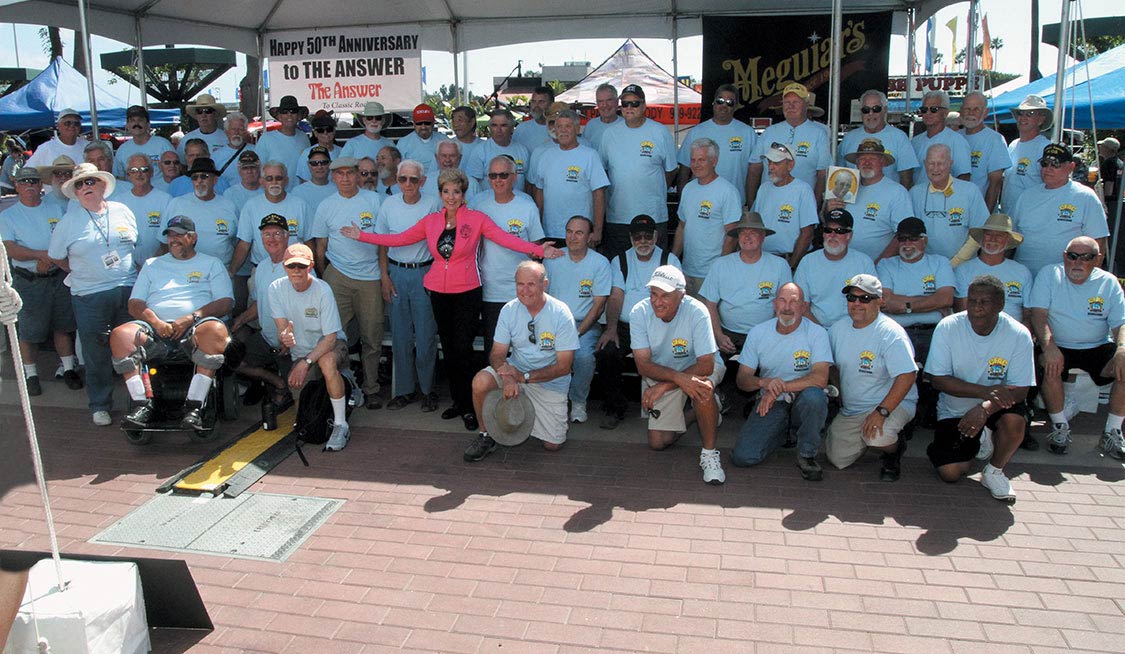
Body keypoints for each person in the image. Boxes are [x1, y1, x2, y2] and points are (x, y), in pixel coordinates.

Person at [341, 168, 562, 430]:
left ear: (463, 194)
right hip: (438, 292)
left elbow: (506, 239)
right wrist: (362, 235)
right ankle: (458, 401)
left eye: (456, 192)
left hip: (467, 292)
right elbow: (398, 239)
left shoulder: (477, 218)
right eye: (446, 191)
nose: (451, 196)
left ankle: (471, 406)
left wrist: (538, 250)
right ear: (440, 194)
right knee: (449, 349)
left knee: (463, 350)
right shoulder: (431, 221)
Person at [110, 216, 232, 431]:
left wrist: (191, 317)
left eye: (180, 235)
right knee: (121, 335)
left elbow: (225, 302)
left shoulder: (211, 263)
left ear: (193, 238)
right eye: (170, 235)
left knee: (215, 329)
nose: (174, 239)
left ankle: (194, 407)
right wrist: (156, 323)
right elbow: (134, 304)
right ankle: (142, 405)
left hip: (196, 328)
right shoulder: (152, 265)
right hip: (155, 330)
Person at [925, 275, 1034, 502]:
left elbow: (1020, 390)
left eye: (985, 302)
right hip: (955, 409)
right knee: (950, 473)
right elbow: (938, 380)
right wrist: (985, 392)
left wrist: (984, 408)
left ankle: (994, 471)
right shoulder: (948, 327)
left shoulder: (1018, 333)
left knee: (1015, 421)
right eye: (972, 300)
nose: (976, 307)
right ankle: (983, 438)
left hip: (997, 407)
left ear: (1000, 305)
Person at [47, 163, 140, 426]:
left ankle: (139, 400)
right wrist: (80, 271)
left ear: (103, 185)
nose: (85, 187)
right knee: (96, 353)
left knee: (133, 348)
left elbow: (134, 244)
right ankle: (99, 404)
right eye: (79, 184)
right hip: (89, 296)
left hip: (128, 289)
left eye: (90, 181)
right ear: (75, 192)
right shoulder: (68, 222)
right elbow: (56, 257)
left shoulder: (123, 211)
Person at [462, 260, 578, 461]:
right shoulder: (509, 310)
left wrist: (523, 377)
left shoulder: (561, 313)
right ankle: (486, 435)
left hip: (549, 383)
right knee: (481, 381)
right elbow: (497, 354)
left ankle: (542, 413)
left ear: (544, 284)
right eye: (520, 284)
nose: (525, 290)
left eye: (531, 284)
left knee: (553, 445)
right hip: (515, 373)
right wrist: (508, 377)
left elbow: (564, 366)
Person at [1028, 236, 1125, 459]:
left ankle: (1112, 431)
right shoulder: (1049, 274)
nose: (1077, 262)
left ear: (1098, 259)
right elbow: (1038, 315)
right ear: (1065, 256)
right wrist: (1049, 346)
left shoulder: (1109, 282)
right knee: (1048, 363)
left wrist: (1122, 348)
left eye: (1086, 257)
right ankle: (1060, 427)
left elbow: (1121, 323)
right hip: (1058, 344)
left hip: (1098, 346)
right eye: (1072, 256)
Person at [630, 265, 727, 484]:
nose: (657, 301)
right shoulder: (639, 312)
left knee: (702, 390)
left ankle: (710, 455)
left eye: (665, 295)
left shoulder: (698, 311)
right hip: (664, 372)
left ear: (681, 295)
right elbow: (643, 365)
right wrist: (677, 379)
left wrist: (667, 385)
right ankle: (703, 414)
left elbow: (706, 365)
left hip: (697, 368)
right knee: (658, 442)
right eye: (654, 294)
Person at [732, 283, 832, 480]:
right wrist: (764, 383)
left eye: (793, 302)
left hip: (801, 399)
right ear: (774, 304)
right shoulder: (758, 333)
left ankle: (807, 454)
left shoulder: (817, 333)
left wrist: (779, 388)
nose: (787, 307)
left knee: (815, 397)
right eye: (782, 301)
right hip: (772, 402)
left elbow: (821, 378)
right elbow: (742, 380)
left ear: (804, 307)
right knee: (743, 457)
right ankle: (784, 432)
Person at [308, 157, 385, 409]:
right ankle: (340, 385)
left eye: (350, 173)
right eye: (339, 174)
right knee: (333, 336)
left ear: (357, 175)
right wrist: (324, 276)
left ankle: (371, 387)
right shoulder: (326, 205)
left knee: (372, 336)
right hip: (337, 275)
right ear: (333, 177)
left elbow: (383, 243)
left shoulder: (374, 200)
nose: (345, 178)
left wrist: (384, 275)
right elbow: (320, 246)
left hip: (370, 276)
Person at [826, 274, 917, 480]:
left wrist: (882, 412)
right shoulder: (837, 329)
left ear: (880, 301)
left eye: (865, 298)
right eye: (852, 298)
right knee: (837, 458)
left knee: (877, 438)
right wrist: (840, 394)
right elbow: (831, 365)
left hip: (888, 405)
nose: (857, 303)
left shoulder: (891, 333)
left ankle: (893, 451)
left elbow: (907, 375)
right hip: (853, 408)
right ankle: (872, 437)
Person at [0, 166, 81, 396]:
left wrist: (52, 259)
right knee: (29, 332)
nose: (30, 186)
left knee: (63, 326)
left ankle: (68, 368)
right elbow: (9, 248)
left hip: (58, 276)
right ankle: (31, 374)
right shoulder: (7, 216)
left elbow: (67, 239)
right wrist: (42, 256)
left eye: (34, 181)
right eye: (24, 182)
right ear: (16, 186)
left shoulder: (56, 208)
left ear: (40, 185)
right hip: (29, 280)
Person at [596, 215, 681, 429]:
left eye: (647, 236)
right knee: (607, 352)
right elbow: (616, 296)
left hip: (662, 325)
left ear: (656, 236)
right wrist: (611, 328)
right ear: (631, 238)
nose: (643, 241)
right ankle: (615, 407)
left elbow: (677, 298)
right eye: (637, 237)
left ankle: (670, 407)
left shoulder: (669, 261)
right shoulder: (620, 261)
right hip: (627, 327)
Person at [268, 243, 352, 451]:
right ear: (284, 266)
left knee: (326, 362)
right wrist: (285, 338)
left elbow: (330, 339)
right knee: (305, 420)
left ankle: (341, 425)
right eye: (291, 266)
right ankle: (343, 383)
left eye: (302, 266)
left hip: (329, 346)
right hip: (301, 353)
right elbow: (282, 329)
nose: (296, 270)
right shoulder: (275, 288)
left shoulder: (323, 290)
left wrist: (304, 363)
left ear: (311, 266)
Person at [375, 159, 442, 412]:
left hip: (425, 272)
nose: (408, 183)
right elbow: (382, 244)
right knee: (400, 336)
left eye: (414, 179)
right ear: (397, 179)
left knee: (426, 336)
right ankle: (404, 391)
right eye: (403, 178)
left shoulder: (433, 204)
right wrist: (384, 277)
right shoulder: (388, 205)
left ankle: (427, 390)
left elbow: (441, 243)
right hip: (397, 273)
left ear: (422, 181)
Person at [469, 155, 546, 353]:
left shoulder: (527, 206)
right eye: (493, 175)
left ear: (514, 177)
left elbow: (536, 248)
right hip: (489, 289)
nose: (498, 180)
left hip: (521, 290)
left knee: (524, 349)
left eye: (503, 175)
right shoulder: (478, 203)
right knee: (494, 350)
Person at [543, 216, 611, 423]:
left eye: (579, 233)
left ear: (590, 237)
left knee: (583, 357)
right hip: (554, 323)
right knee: (543, 352)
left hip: (585, 324)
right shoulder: (552, 259)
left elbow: (598, 306)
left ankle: (578, 402)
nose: (573, 237)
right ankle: (550, 402)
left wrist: (577, 332)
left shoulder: (600, 263)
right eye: (569, 231)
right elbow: (541, 297)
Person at [599, 84, 678, 260]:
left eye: (634, 103)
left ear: (644, 105)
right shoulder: (609, 134)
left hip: (653, 215)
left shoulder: (660, 132)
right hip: (618, 217)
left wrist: (652, 190)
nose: (629, 107)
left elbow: (671, 171)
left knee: (656, 267)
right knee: (619, 267)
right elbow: (603, 172)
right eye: (625, 103)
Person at [700, 211, 792, 359]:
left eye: (753, 233)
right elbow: (710, 304)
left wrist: (775, 336)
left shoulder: (780, 265)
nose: (747, 237)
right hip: (729, 337)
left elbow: (785, 305)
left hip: (766, 335)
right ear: (738, 237)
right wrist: (718, 335)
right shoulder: (721, 265)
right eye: (743, 233)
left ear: (763, 237)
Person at [230, 214, 297, 412]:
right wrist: (238, 321)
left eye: (277, 233)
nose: (272, 239)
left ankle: (286, 388)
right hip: (267, 339)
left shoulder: (298, 265)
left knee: (300, 394)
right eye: (267, 234)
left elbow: (306, 308)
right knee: (231, 358)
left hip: (294, 344)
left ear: (287, 236)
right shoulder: (262, 268)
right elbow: (259, 304)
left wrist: (289, 337)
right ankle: (276, 382)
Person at [1012, 143, 1109, 277]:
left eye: (1055, 164)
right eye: (1044, 164)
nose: (1048, 169)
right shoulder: (1026, 196)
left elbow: (1098, 242)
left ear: (1071, 167)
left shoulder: (1086, 196)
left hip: (1066, 279)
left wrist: (1088, 280)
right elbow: (1012, 237)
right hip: (1024, 276)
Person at [231, 161, 312, 313]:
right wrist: (231, 271)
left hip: (295, 270)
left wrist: (313, 270)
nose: (274, 182)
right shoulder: (251, 206)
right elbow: (244, 244)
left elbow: (309, 242)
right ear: (262, 182)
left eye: (278, 178)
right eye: (269, 178)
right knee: (257, 316)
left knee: (295, 315)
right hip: (260, 271)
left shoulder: (300, 205)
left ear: (286, 180)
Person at [672, 138, 743, 295]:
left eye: (702, 160)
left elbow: (732, 236)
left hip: (711, 273)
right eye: (693, 160)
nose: (696, 165)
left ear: (714, 161)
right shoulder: (688, 189)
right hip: (686, 270)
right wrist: (673, 260)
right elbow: (682, 227)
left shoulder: (727, 191)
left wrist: (720, 271)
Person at [526, 108, 609, 242]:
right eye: (559, 126)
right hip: (550, 230)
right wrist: (537, 230)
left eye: (568, 126)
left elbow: (599, 194)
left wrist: (597, 231)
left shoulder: (590, 155)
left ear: (577, 129)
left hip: (581, 232)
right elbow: (539, 192)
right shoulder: (545, 156)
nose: (563, 130)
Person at [828, 137, 913, 262]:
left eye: (872, 158)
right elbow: (829, 226)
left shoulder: (897, 192)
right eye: (862, 159)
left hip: (878, 265)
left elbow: (903, 234)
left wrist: (879, 263)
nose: (867, 163)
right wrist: (829, 211)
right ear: (856, 163)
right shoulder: (846, 187)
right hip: (843, 263)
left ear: (882, 162)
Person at [747, 82, 831, 207]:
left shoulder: (819, 134)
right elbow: (754, 169)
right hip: (769, 203)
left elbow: (823, 174)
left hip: (801, 205)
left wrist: (815, 207)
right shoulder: (769, 132)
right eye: (787, 102)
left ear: (806, 105)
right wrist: (751, 204)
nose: (790, 106)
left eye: (796, 102)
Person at [793, 208, 877, 327]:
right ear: (823, 233)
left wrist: (846, 332)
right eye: (828, 230)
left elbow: (870, 305)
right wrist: (821, 332)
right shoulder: (807, 262)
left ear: (849, 235)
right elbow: (802, 307)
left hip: (854, 329)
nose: (832, 235)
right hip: (814, 328)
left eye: (839, 231)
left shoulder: (864, 263)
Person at [676, 84, 758, 199]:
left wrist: (751, 204)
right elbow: (684, 171)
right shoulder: (696, 132)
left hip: (736, 203)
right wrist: (682, 201)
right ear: (713, 103)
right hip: (700, 201)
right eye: (720, 101)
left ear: (735, 106)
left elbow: (755, 172)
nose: (724, 105)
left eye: (729, 102)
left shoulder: (748, 133)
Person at [909, 144, 990, 260]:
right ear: (925, 164)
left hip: (963, 265)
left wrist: (957, 261)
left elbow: (979, 232)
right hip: (926, 265)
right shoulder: (915, 193)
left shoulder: (970, 191)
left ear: (950, 163)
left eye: (940, 163)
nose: (935, 168)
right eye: (931, 163)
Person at [162, 158, 240, 271]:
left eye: (204, 176)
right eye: (195, 177)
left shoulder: (230, 206)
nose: (199, 181)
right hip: (183, 271)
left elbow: (239, 242)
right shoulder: (176, 204)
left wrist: (231, 271)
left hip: (220, 271)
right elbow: (164, 241)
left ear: (215, 180)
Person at [953, 214, 1033, 323]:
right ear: (981, 238)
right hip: (974, 331)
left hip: (1013, 332)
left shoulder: (1022, 272)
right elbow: (962, 311)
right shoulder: (963, 270)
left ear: (1008, 240)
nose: (993, 239)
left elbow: (1028, 314)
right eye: (988, 234)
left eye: (999, 235)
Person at [750, 142, 818, 268]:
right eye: (769, 162)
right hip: (762, 260)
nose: (770, 167)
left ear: (790, 165)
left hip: (788, 259)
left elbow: (807, 234)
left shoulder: (803, 190)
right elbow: (754, 225)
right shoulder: (764, 188)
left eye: (776, 163)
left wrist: (791, 266)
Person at [838, 90, 917, 188]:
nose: (871, 113)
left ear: (885, 110)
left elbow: (907, 180)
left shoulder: (899, 137)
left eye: (876, 109)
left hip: (888, 197)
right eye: (866, 109)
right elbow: (839, 173)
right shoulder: (849, 138)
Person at [958, 91, 1009, 211]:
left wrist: (984, 217)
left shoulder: (995, 140)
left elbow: (995, 184)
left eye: (976, 109)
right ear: (961, 111)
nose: (971, 113)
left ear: (985, 113)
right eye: (967, 109)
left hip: (979, 210)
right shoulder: (955, 137)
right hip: (955, 210)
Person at [1001, 95, 1053, 212]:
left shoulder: (1045, 148)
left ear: (1041, 120)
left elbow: (1051, 185)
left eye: (1030, 114)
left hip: (1032, 214)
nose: (1023, 118)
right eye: (1020, 113)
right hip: (1007, 214)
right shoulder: (1013, 145)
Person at [117, 153, 172, 262]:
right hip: (128, 265)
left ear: (151, 172)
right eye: (134, 170)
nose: (139, 174)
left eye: (144, 169)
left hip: (158, 263)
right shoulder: (119, 202)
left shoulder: (166, 200)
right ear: (128, 174)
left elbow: (169, 237)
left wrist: (153, 263)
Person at [909, 90, 972, 181]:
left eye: (934, 109)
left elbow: (964, 176)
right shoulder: (915, 142)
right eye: (924, 109)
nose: (928, 113)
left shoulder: (957, 141)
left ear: (945, 113)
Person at [466, 109, 530, 192]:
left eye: (503, 125)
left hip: (518, 199)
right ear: (489, 127)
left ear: (512, 128)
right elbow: (472, 184)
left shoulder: (523, 150)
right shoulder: (480, 151)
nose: (498, 130)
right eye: (494, 125)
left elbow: (528, 183)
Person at [256, 96, 311, 190]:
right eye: (284, 112)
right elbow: (258, 169)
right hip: (276, 194)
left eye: (293, 111)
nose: (289, 115)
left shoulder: (304, 137)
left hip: (301, 194)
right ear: (279, 116)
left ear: (298, 116)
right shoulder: (266, 139)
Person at [112, 105, 175, 179]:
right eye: (132, 120)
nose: (136, 124)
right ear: (127, 126)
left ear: (148, 125)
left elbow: (176, 171)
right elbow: (119, 177)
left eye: (140, 120)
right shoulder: (122, 150)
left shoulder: (163, 145)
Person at [396, 103, 447, 174]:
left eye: (427, 123)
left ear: (433, 123)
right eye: (419, 123)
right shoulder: (403, 143)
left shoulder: (445, 141)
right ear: (414, 124)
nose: (423, 127)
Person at [209, 112, 256, 188]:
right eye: (233, 129)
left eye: (240, 129)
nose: (237, 133)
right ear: (226, 132)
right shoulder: (215, 156)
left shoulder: (256, 151)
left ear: (246, 132)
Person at [177, 94, 228, 160]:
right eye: (199, 111)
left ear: (215, 114)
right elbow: (181, 163)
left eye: (208, 111)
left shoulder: (226, 138)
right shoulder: (186, 139)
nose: (203, 115)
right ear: (196, 115)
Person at [294, 111, 340, 183]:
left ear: (334, 131)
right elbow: (304, 181)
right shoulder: (306, 154)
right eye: (320, 130)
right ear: (315, 133)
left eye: (329, 129)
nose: (325, 133)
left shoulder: (344, 152)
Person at [513, 86, 555, 152]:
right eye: (533, 101)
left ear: (551, 104)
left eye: (541, 102)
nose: (536, 106)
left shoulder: (559, 129)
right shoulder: (521, 129)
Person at [581, 83, 620, 153]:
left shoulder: (626, 125)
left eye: (609, 100)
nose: (605, 105)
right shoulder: (591, 125)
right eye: (600, 101)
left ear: (617, 102)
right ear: (597, 103)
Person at [449, 105, 483, 170]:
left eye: (460, 120)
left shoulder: (484, 147)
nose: (455, 124)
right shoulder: (446, 147)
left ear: (472, 122)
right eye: (453, 121)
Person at [1098, 137, 1121, 209]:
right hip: (1119, 200)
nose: (1099, 147)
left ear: (1108, 149)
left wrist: (1104, 202)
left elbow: (1110, 182)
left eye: (1102, 146)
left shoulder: (1108, 163)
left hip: (1109, 203)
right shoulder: (1120, 163)